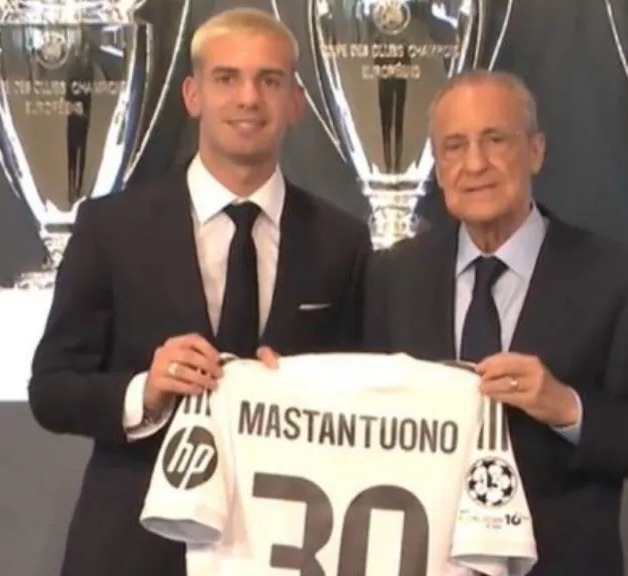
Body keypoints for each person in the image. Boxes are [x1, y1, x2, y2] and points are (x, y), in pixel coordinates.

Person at [27, 7, 371, 576]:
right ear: (193, 95)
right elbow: (52, 390)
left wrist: (307, 390)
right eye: (226, 78)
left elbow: (365, 393)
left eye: (269, 80)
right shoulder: (111, 228)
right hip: (134, 545)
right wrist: (145, 392)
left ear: (296, 104)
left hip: (287, 544)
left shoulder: (342, 241)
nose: (248, 99)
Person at [360, 70, 628, 575]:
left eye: (496, 140)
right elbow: (354, 411)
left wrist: (568, 408)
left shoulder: (618, 279)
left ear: (535, 151)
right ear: (438, 166)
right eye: (454, 146)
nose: (475, 164)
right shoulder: (393, 275)